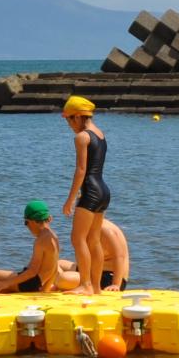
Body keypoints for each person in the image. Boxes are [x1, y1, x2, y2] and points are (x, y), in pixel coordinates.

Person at [60, 96, 110, 294]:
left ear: (78, 117)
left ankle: (85, 284)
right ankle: (96, 286)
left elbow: (81, 170)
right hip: (104, 191)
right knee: (94, 240)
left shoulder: (82, 137)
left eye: (69, 120)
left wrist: (70, 199)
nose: (69, 124)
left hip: (90, 191)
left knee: (77, 238)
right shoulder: (100, 134)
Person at [0, 200, 79, 293]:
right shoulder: (53, 236)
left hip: (29, 283)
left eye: (26, 222)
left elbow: (32, 271)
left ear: (33, 221)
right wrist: (45, 289)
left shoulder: (41, 241)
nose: (27, 227)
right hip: (37, 282)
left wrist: (7, 283)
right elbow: (53, 268)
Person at [99, 219, 131, 291]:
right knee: (66, 265)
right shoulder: (89, 227)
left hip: (110, 278)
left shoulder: (105, 229)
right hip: (94, 271)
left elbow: (119, 256)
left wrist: (116, 284)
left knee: (68, 278)